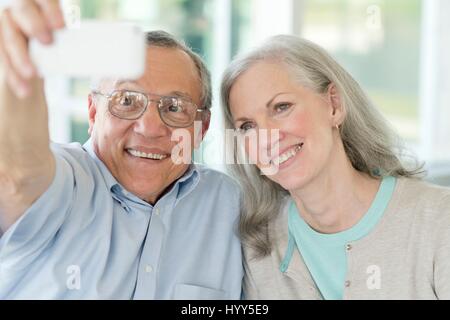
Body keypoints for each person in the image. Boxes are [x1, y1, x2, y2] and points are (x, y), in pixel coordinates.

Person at [0, 0, 242, 299]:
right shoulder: (65, 185)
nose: (150, 128)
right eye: (127, 101)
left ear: (201, 129)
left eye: (175, 107)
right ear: (93, 112)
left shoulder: (231, 206)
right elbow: (19, 176)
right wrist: (16, 71)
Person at [220, 34, 450, 299]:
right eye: (247, 127)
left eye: (282, 107)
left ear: (334, 104)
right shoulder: (258, 250)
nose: (267, 137)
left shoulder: (438, 220)